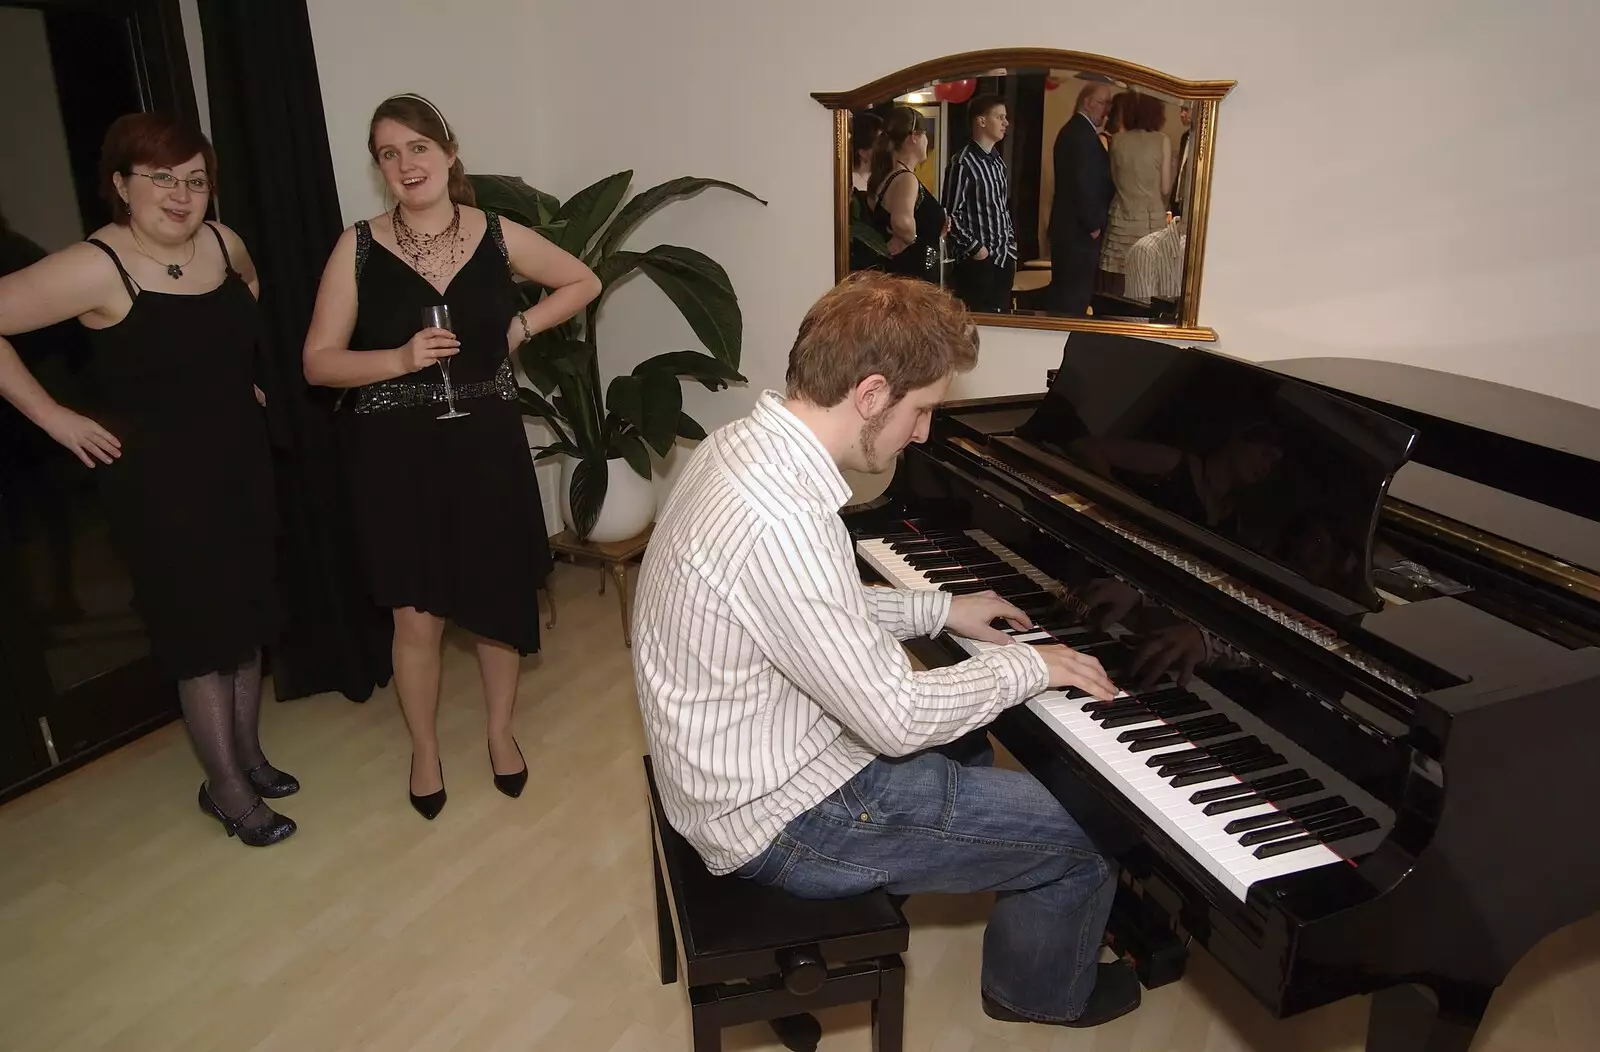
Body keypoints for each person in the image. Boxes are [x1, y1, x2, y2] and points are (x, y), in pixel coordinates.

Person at [630, 271, 1144, 1029]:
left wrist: (940, 609)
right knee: (1095, 824)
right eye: (922, 409)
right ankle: (1036, 992)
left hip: (732, 766)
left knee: (971, 745)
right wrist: (1028, 665)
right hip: (785, 818)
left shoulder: (741, 449)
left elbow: (805, 613)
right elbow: (896, 719)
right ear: (871, 394)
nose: (924, 432)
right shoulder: (787, 523)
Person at [302, 94, 600, 820]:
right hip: (397, 455)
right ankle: (426, 749)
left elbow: (582, 281)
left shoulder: (496, 234)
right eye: (388, 153)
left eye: (417, 147)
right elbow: (317, 363)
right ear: (379, 167)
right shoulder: (359, 247)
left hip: (485, 443)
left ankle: (500, 734)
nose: (405, 164)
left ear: (448, 151)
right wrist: (399, 357)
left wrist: (523, 325)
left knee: (497, 601)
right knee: (416, 619)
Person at [0, 113, 295, 847]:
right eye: (160, 177)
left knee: (248, 623)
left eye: (195, 179)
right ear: (121, 185)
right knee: (202, 640)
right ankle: (225, 791)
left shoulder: (225, 246)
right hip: (161, 487)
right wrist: (54, 417)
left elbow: (252, 295)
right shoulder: (97, 268)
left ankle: (249, 757)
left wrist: (247, 382)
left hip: (241, 465)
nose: (180, 193)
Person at [943, 94, 1017, 313]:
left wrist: (1011, 243)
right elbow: (951, 214)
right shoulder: (963, 162)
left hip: (1004, 256)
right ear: (981, 121)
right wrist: (977, 249)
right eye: (1000, 117)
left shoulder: (998, 162)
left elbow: (1002, 208)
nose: (1006, 123)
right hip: (978, 262)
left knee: (1002, 320)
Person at [1045, 83, 1115, 315]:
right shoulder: (1081, 136)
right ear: (1087, 102)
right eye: (1104, 102)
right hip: (1078, 233)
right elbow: (1083, 184)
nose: (1108, 109)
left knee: (1068, 296)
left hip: (1071, 231)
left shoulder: (1074, 131)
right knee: (1072, 300)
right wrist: (1093, 225)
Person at [865, 106, 946, 283]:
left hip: (902, 275)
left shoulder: (886, 177)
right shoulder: (906, 178)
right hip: (914, 278)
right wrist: (912, 238)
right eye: (925, 135)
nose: (927, 141)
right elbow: (902, 222)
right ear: (914, 137)